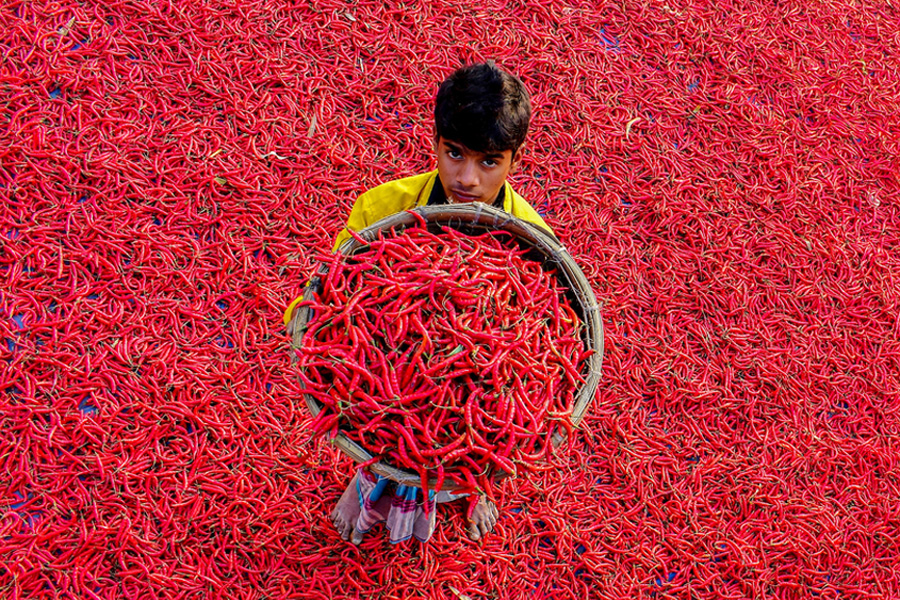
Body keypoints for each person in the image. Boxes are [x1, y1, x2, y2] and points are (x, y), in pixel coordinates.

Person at [284, 61, 554, 544]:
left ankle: (477, 489)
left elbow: (551, 346)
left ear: (516, 160)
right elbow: (323, 301)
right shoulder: (382, 210)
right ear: (433, 143)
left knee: (496, 419)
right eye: (454, 153)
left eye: (489, 161)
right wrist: (304, 326)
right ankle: (378, 478)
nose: (466, 178)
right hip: (385, 394)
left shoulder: (533, 243)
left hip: (483, 403)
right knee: (384, 421)